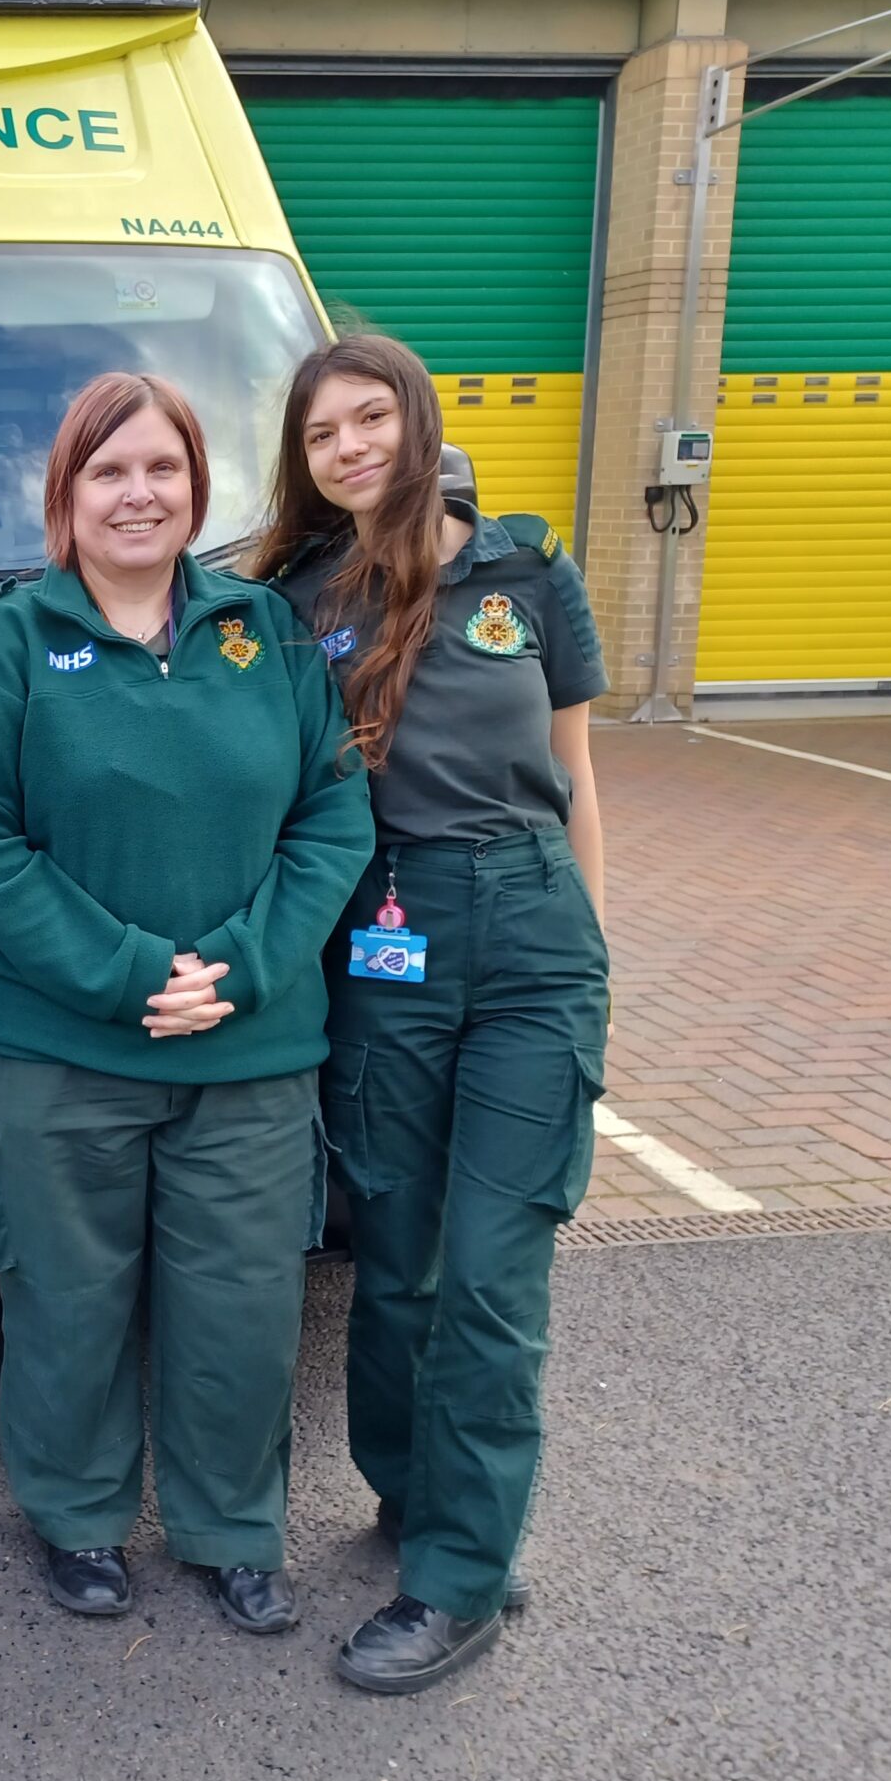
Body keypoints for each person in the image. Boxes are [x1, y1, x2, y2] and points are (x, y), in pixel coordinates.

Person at [0, 372, 373, 1627]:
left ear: (196, 487)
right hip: (56, 1049)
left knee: (241, 1310)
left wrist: (238, 967)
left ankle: (233, 1530)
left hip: (249, 1050)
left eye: (161, 469)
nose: (138, 493)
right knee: (66, 1305)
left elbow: (331, 814)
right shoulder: (4, 640)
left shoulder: (266, 633)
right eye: (108, 471)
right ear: (63, 493)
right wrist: (129, 976)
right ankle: (76, 1520)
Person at [256, 332, 610, 1695]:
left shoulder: (527, 572)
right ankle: (420, 1499)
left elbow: (578, 776)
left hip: (531, 935)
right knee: (394, 1249)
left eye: (368, 421)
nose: (349, 449)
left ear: (417, 424)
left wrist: (592, 949)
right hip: (386, 932)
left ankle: (459, 1576)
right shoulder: (298, 600)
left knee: (493, 1270)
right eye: (322, 433)